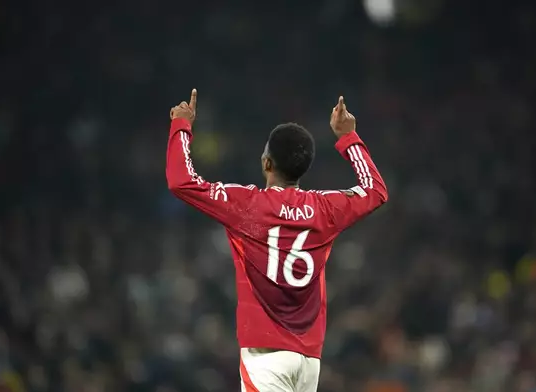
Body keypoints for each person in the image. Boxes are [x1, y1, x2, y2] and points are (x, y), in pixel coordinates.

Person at [166, 89, 388, 391]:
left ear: (267, 163)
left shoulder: (247, 206)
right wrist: (348, 137)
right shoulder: (325, 209)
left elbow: (182, 181)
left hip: (265, 356)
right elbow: (375, 190)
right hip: (308, 359)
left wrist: (181, 125)